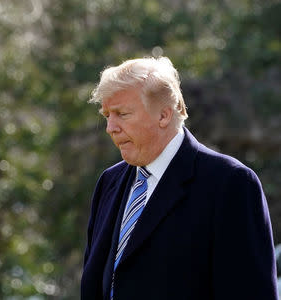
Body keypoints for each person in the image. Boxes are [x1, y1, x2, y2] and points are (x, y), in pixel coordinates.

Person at [81, 56, 278, 300]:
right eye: (107, 114)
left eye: (122, 114)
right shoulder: (109, 182)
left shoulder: (230, 183)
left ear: (164, 115)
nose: (110, 127)